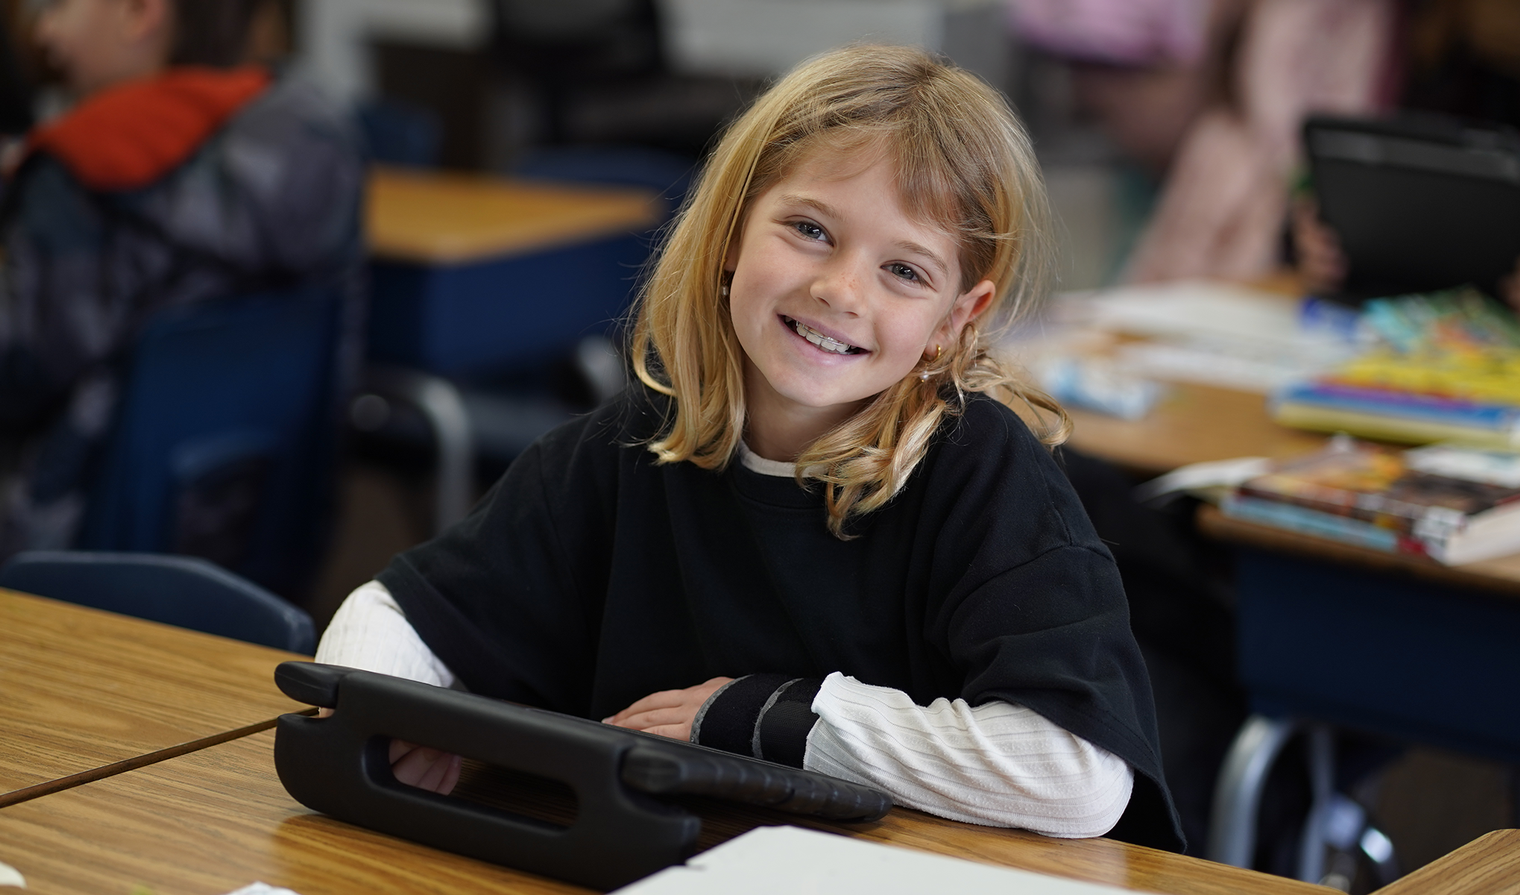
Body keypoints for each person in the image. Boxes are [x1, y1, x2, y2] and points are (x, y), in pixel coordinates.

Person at [315, 44, 1184, 851]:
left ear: (956, 319)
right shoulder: (632, 444)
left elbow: (1078, 774)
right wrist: (393, 714)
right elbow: (391, 612)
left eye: (905, 270)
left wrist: (767, 719)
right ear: (732, 232)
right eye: (810, 229)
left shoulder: (980, 474)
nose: (841, 289)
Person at [0, 0, 364, 561]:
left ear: (140, 13)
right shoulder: (316, 139)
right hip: (257, 534)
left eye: (59, 5)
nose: (44, 32)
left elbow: (19, 370)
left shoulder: (80, 174)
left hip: (67, 546)